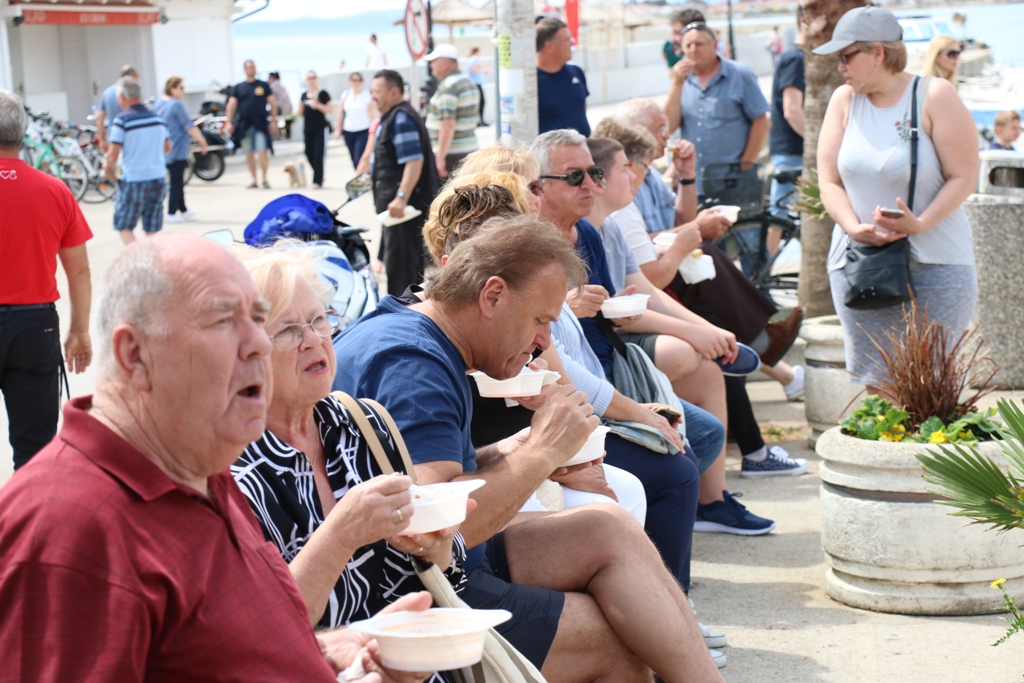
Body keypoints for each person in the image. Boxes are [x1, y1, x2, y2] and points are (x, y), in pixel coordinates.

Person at [0, 233, 433, 682]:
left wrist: (323, 654)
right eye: (224, 322)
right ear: (134, 354)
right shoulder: (65, 524)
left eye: (259, 321)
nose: (261, 347)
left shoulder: (201, 473)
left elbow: (215, 651)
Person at [334, 214, 726, 682]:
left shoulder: (411, 328)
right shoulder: (416, 366)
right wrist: (540, 451)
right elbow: (434, 532)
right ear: (493, 295)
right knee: (621, 640)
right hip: (412, 590)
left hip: (419, 567)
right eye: (541, 320)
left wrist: (512, 450)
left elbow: (417, 478)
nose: (543, 343)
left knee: (608, 526)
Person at [231, 242, 466, 683]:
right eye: (288, 330)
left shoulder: (364, 424)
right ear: (241, 353)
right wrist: (340, 534)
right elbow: (255, 633)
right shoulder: (228, 472)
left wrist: (435, 547)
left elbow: (438, 576)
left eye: (319, 320)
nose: (316, 340)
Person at [815, 6, 980, 391]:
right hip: (861, 265)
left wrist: (920, 223)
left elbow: (963, 175)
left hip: (937, 262)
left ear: (879, 53)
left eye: (846, 55)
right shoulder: (843, 100)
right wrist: (854, 227)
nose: (839, 66)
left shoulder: (934, 94)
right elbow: (828, 181)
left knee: (936, 384)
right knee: (878, 383)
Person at [613, 99, 805, 393]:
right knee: (710, 260)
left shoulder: (650, 175)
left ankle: (774, 363)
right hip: (650, 278)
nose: (668, 135)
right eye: (660, 128)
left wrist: (687, 177)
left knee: (715, 312)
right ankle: (768, 346)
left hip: (667, 269)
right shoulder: (625, 178)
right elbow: (636, 246)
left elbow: (681, 220)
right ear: (637, 132)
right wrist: (693, 230)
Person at [0, 89, 92, 470]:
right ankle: (29, 528)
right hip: (34, 328)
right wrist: (79, 331)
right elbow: (79, 271)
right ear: (22, 134)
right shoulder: (54, 190)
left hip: (32, 325)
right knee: (36, 449)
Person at [664, 13, 771, 197]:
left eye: (699, 44)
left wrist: (746, 164)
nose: (693, 49)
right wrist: (676, 84)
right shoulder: (681, 82)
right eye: (688, 45)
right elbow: (668, 126)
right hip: (694, 183)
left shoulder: (739, 74)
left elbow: (761, 120)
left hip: (734, 180)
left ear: (714, 45)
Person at [369, 69, 440, 297]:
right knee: (401, 267)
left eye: (377, 92)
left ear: (394, 92)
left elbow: (414, 161)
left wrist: (401, 197)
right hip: (397, 212)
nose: (373, 96)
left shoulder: (400, 118)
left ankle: (402, 318)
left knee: (403, 273)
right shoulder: (394, 116)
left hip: (404, 211)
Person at [105, 77, 171, 246]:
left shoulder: (122, 121)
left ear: (121, 97)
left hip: (134, 179)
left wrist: (109, 172)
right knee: (152, 229)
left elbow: (112, 156)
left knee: (124, 226)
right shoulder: (158, 119)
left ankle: (139, 260)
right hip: (157, 179)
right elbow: (168, 147)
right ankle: (154, 264)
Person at [153, 76, 208, 223]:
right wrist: (202, 140)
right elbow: (188, 125)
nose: (184, 91)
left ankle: (183, 209)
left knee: (177, 178)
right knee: (176, 181)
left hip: (163, 148)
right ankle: (171, 212)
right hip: (177, 148)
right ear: (173, 89)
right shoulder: (176, 105)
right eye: (181, 87)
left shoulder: (158, 103)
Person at [769, 17, 806, 223]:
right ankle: (769, 256)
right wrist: (819, 144)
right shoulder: (796, 58)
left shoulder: (795, 56)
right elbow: (792, 110)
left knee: (781, 212)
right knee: (779, 215)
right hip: (792, 149)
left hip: (789, 148)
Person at [424, 44, 480, 179]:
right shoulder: (467, 82)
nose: (431, 65)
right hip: (469, 150)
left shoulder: (448, 86)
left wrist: (440, 158)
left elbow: (448, 123)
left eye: (434, 61)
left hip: (452, 155)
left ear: (445, 63)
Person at [225, 59, 278, 189]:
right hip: (245, 124)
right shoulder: (238, 87)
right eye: (249, 67)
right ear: (244, 70)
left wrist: (273, 120)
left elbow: (272, 103)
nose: (251, 69)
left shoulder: (263, 85)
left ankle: (264, 179)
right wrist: (228, 122)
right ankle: (254, 180)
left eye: (253, 67)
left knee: (262, 150)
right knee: (248, 153)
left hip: (260, 123)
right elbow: (231, 105)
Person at [536, 18, 590, 136]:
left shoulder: (576, 72)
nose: (571, 43)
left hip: (583, 148)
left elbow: (582, 108)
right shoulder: (531, 81)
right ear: (549, 46)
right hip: (549, 153)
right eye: (567, 40)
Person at [298, 71, 333, 189]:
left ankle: (317, 180)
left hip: (320, 128)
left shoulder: (323, 94)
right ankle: (319, 173)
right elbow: (300, 114)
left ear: (317, 79)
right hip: (308, 128)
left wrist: (317, 105)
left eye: (313, 77)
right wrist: (301, 107)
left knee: (319, 154)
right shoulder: (303, 95)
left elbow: (330, 109)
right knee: (308, 153)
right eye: (309, 78)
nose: (311, 80)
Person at [335, 72, 376, 168]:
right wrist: (338, 129)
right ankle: (360, 176)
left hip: (363, 130)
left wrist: (374, 130)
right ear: (350, 82)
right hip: (348, 130)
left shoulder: (367, 95)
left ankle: (361, 177)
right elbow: (340, 113)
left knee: (360, 157)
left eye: (359, 80)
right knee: (353, 158)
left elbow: (371, 114)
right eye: (354, 80)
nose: (356, 82)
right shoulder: (346, 95)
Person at [95, 64, 137, 152]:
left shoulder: (107, 92)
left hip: (114, 137)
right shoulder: (133, 92)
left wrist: (102, 139)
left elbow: (99, 117)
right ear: (131, 76)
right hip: (132, 136)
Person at [465, 46, 489, 126]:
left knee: (479, 102)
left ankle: (479, 121)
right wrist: (484, 67)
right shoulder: (474, 59)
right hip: (476, 84)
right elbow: (475, 70)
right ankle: (479, 121)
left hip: (475, 84)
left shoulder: (471, 59)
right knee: (481, 102)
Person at [267, 71, 294, 139]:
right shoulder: (280, 84)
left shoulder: (274, 85)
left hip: (282, 109)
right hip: (287, 108)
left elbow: (269, 98)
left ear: (272, 78)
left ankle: (275, 135)